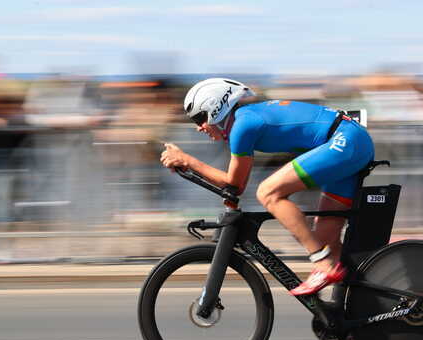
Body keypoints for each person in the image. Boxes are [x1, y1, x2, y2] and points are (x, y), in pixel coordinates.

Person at [160, 78, 375, 295]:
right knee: (323, 238)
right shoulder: (243, 121)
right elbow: (233, 187)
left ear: (216, 108)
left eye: (199, 118)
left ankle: (322, 264)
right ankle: (354, 312)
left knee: (268, 193)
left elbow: (235, 183)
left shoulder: (242, 126)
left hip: (345, 141)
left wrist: (188, 160)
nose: (199, 128)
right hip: (349, 141)